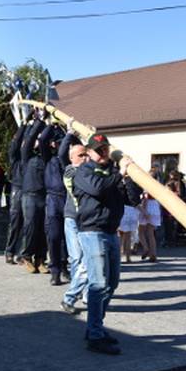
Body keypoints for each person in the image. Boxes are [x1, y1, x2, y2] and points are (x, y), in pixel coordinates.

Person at [73, 134, 136, 355]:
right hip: (92, 232)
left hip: (110, 232)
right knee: (98, 284)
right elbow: (98, 189)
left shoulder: (113, 172)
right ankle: (95, 335)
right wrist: (120, 174)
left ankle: (95, 328)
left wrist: (130, 178)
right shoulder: (84, 171)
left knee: (112, 283)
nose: (103, 153)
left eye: (105, 149)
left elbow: (132, 200)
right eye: (98, 150)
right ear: (89, 152)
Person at [60, 134, 89, 314]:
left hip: (86, 220)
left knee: (86, 259)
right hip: (72, 219)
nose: (85, 158)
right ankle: (74, 294)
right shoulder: (70, 171)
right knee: (77, 258)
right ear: (71, 158)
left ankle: (84, 293)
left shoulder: (88, 170)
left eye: (86, 154)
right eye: (81, 155)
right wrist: (70, 133)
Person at [20, 115, 48, 273]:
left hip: (44, 196)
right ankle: (26, 257)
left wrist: (50, 124)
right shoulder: (26, 156)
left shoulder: (45, 157)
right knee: (30, 227)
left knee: (43, 229)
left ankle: (41, 259)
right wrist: (39, 121)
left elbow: (44, 140)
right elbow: (30, 139)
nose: (37, 142)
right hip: (29, 196)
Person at [39, 123, 67, 285]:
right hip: (52, 200)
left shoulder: (68, 159)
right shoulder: (48, 158)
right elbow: (42, 140)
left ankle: (65, 266)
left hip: (67, 199)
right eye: (57, 143)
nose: (58, 145)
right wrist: (50, 125)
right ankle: (55, 271)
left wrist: (68, 131)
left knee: (67, 238)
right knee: (54, 237)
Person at [4, 122, 27, 263]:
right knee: (15, 222)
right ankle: (10, 251)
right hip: (17, 190)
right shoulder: (15, 158)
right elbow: (15, 143)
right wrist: (23, 126)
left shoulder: (31, 157)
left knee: (28, 224)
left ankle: (22, 254)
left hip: (30, 191)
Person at [138, 190, 161, 262]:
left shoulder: (146, 188)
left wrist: (144, 210)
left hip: (148, 207)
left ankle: (145, 247)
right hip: (155, 207)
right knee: (151, 233)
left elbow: (145, 198)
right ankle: (153, 254)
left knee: (140, 232)